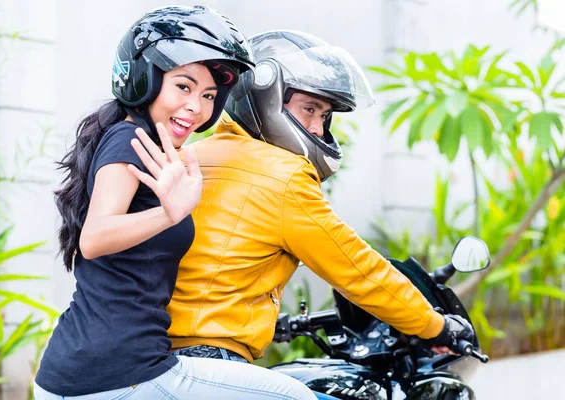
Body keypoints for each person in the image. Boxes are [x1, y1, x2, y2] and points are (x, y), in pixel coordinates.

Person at [34, 10, 318, 400]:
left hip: (101, 369)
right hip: (118, 375)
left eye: (208, 96)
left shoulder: (146, 144)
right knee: (297, 397)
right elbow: (95, 237)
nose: (196, 108)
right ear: (145, 78)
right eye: (183, 87)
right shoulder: (130, 139)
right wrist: (171, 212)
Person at [158, 30, 474, 367]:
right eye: (309, 108)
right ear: (267, 99)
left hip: (158, 354)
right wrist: (436, 327)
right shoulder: (284, 174)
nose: (319, 129)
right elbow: (356, 270)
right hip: (213, 356)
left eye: (324, 116)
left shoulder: (191, 155)